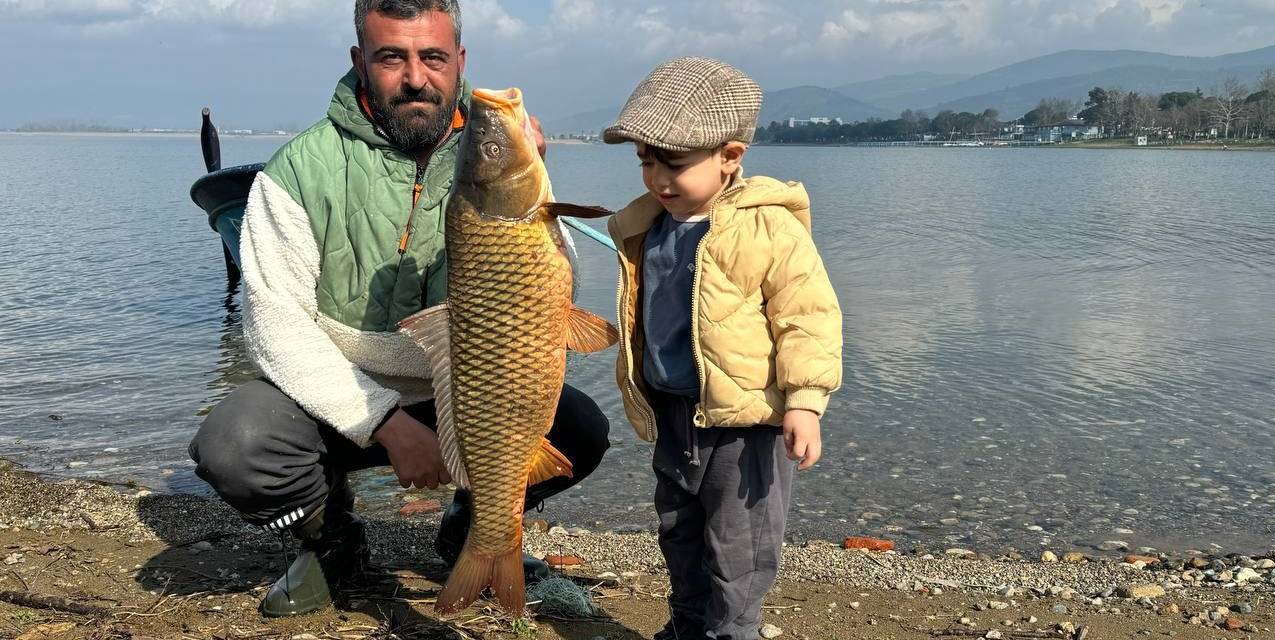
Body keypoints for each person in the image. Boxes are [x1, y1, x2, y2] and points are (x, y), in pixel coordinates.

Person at [187, 0, 610, 617]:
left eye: (433, 57)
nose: (416, 77)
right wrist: (386, 423)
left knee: (582, 429)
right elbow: (273, 326)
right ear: (361, 61)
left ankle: (477, 524)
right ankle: (331, 541)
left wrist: (538, 174)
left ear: (459, 61)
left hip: (466, 393)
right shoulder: (300, 170)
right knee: (236, 444)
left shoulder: (488, 157)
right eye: (393, 57)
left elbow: (543, 296)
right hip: (338, 397)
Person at [603, 57, 843, 640]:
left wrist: (805, 402)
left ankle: (732, 631)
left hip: (746, 426)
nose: (658, 179)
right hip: (674, 412)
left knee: (739, 547)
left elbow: (808, 318)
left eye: (674, 164)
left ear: (730, 157)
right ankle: (687, 626)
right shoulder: (651, 227)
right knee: (679, 531)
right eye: (645, 160)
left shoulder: (770, 229)